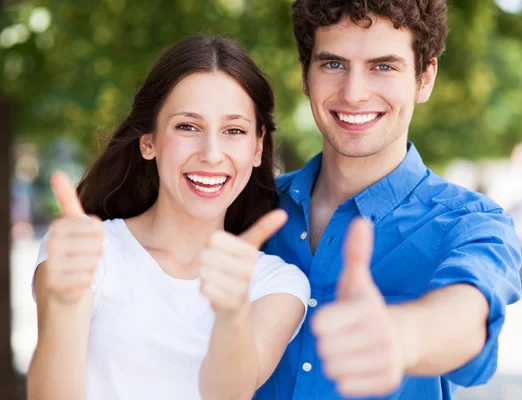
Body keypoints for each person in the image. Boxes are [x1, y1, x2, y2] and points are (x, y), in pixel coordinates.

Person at [254, 1, 522, 399]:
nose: (354, 93)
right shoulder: (248, 208)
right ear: (305, 76)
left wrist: (402, 336)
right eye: (333, 64)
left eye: (384, 66)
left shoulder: (471, 222)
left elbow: (467, 317)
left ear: (425, 78)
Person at [27, 35, 310, 400]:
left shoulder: (276, 283)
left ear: (257, 147)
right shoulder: (87, 253)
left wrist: (229, 314)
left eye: (234, 131)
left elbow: (232, 391)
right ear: (149, 141)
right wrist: (64, 303)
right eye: (187, 127)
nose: (211, 154)